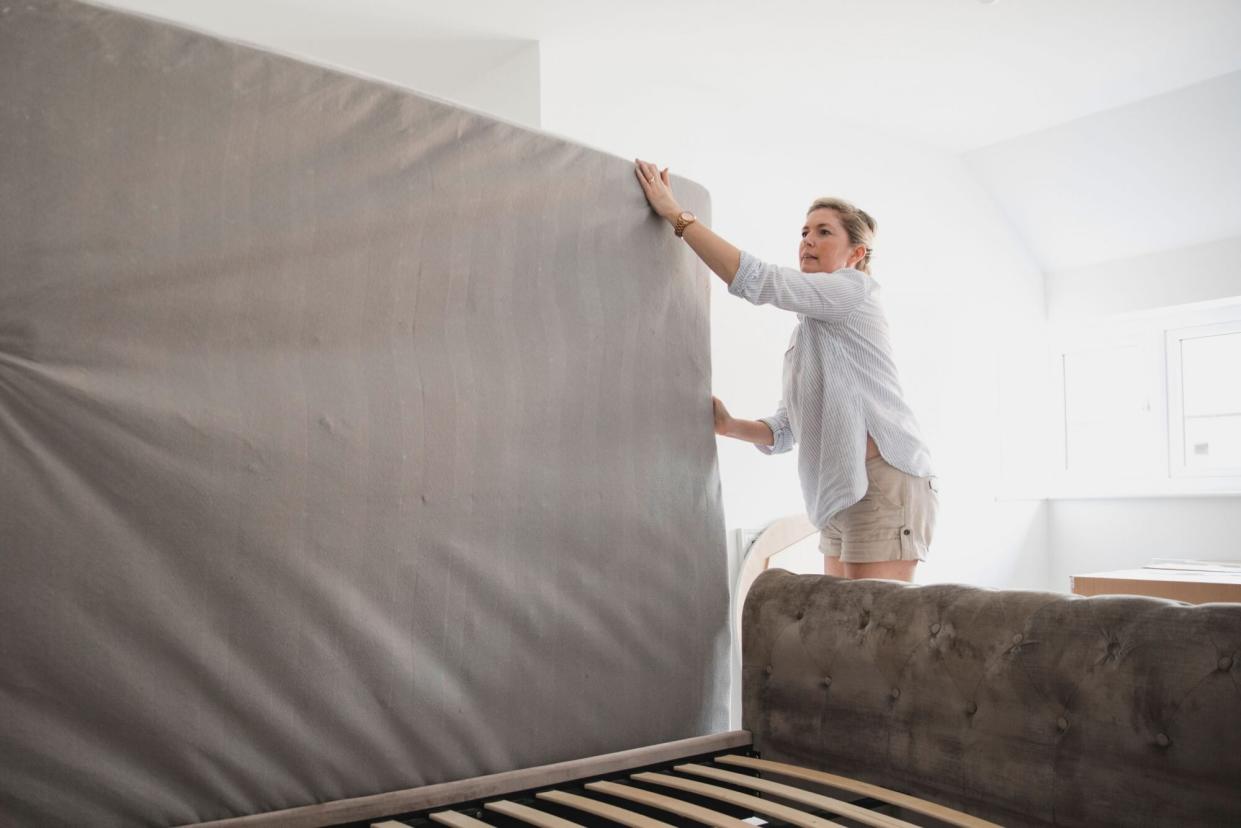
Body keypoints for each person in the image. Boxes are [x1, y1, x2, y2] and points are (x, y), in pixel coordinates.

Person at [634, 158, 937, 582]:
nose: (807, 241)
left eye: (823, 232)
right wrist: (729, 425)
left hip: (883, 484)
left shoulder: (855, 291)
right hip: (839, 492)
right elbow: (784, 431)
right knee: (843, 627)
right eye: (804, 232)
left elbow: (758, 280)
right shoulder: (806, 336)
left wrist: (677, 216)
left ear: (857, 253)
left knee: (876, 632)